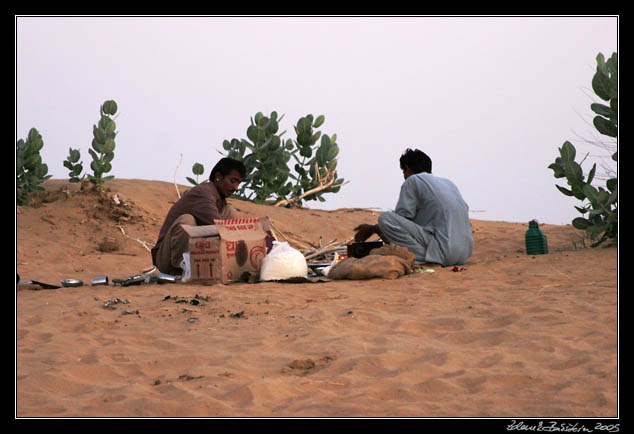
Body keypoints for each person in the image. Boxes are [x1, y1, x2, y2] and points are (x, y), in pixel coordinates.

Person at [354, 148, 473, 267]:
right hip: (463, 255)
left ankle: (419, 258)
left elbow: (402, 217)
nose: (404, 177)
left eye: (403, 172)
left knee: (385, 218)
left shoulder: (413, 180)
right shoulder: (448, 183)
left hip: (444, 253)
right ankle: (430, 255)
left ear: (407, 168)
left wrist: (372, 229)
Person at [151, 157, 246, 275]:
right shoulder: (203, 194)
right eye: (233, 181)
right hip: (166, 259)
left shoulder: (219, 198)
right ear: (218, 176)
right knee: (187, 220)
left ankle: (228, 265)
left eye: (238, 183)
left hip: (196, 254)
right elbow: (219, 228)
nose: (236, 188)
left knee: (229, 212)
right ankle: (179, 269)